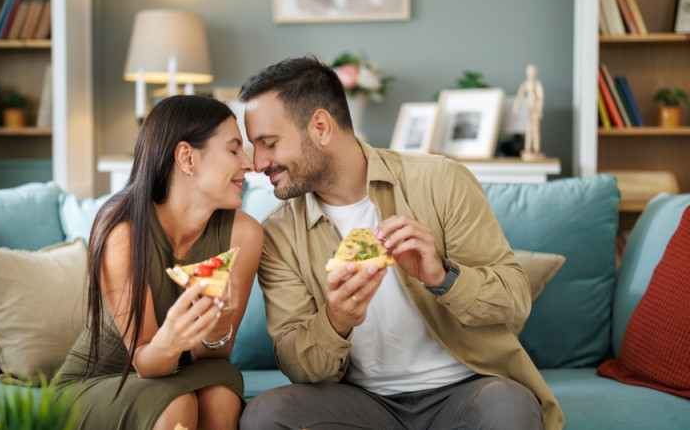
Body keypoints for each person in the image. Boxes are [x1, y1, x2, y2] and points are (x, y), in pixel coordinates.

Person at [237, 56, 564, 429]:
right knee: (266, 415)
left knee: (510, 406)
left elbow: (514, 301)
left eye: (268, 143)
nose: (257, 162)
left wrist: (443, 277)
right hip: (360, 403)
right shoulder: (277, 235)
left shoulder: (441, 181)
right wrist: (336, 320)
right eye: (254, 146)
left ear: (321, 127)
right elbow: (297, 365)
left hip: (465, 389)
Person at [52, 95, 263, 430]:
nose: (250, 164)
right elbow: (146, 362)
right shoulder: (122, 229)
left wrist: (218, 329)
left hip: (182, 369)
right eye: (234, 149)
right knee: (175, 404)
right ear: (186, 157)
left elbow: (212, 356)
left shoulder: (244, 235)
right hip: (106, 378)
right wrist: (173, 337)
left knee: (220, 393)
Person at [512, 63, 545, 160]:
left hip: (535, 110)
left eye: (533, 72)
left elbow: (541, 98)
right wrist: (516, 110)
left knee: (536, 130)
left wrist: (539, 111)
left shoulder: (537, 84)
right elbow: (519, 98)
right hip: (529, 110)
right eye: (529, 72)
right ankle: (527, 149)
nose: (531, 74)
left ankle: (536, 149)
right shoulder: (525, 84)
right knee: (529, 130)